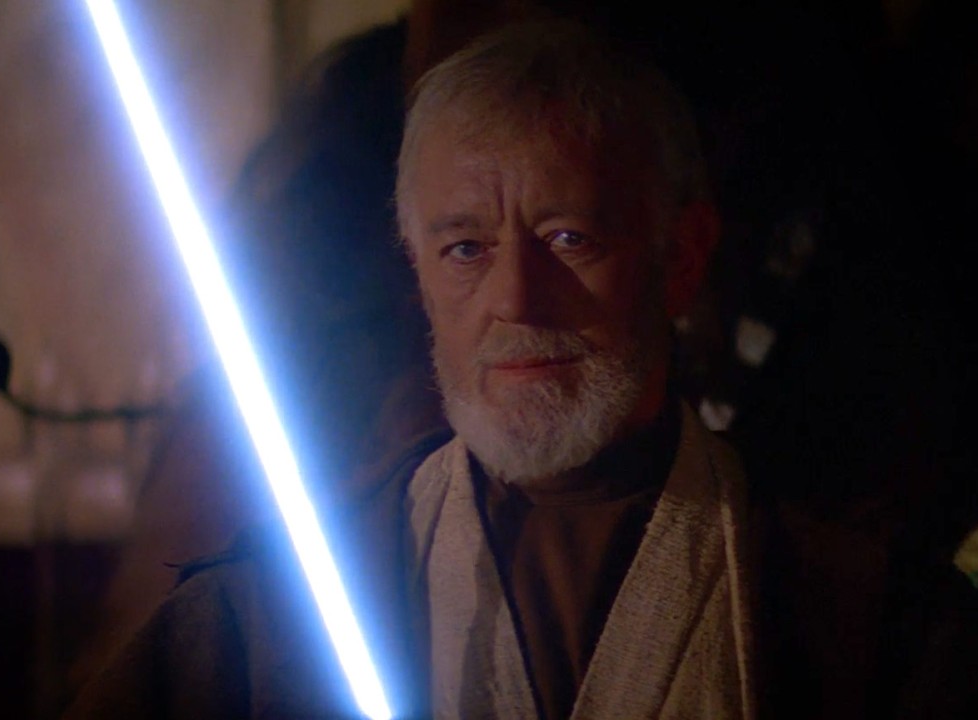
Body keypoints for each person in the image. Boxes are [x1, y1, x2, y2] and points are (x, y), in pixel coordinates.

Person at [67, 22, 754, 719]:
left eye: (569, 239)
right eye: (466, 249)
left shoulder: (802, 572)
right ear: (417, 270)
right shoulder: (297, 597)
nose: (515, 299)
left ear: (681, 256)